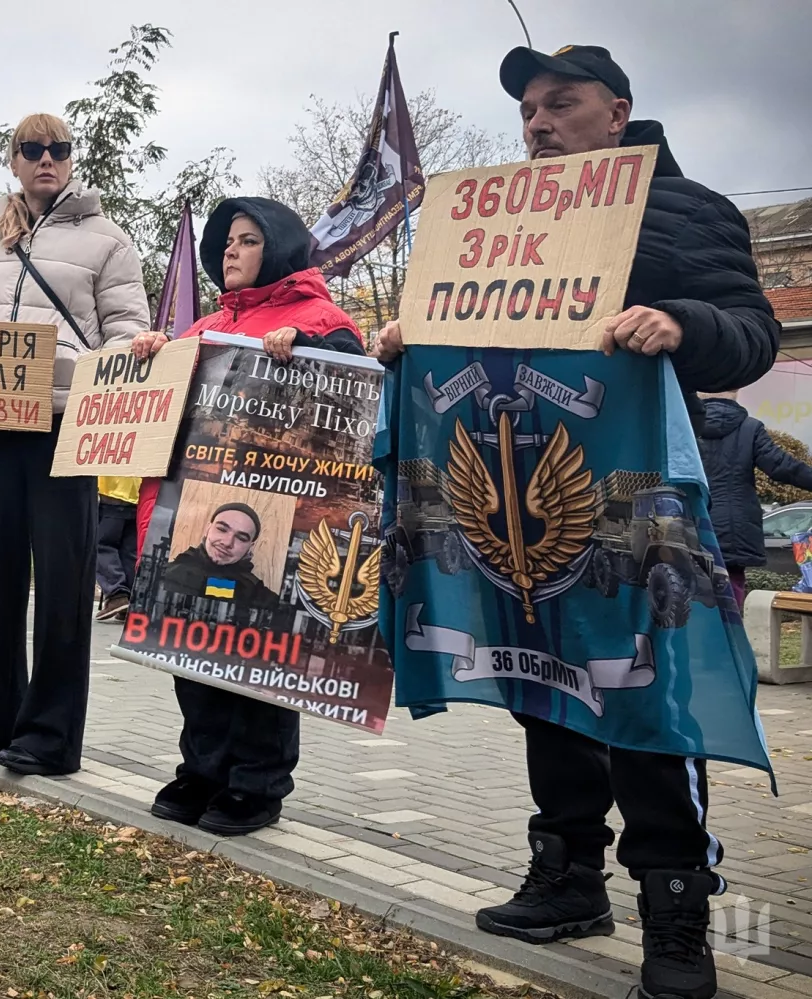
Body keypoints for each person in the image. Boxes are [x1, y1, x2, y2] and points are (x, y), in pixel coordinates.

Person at [374, 46, 780, 999]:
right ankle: (567, 876)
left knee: (646, 705)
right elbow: (464, 337)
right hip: (504, 501)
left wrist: (679, 321)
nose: (538, 123)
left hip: (631, 509)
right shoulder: (494, 219)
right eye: (527, 111)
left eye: (562, 103)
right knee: (542, 688)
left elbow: (751, 334)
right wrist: (409, 339)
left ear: (619, 110)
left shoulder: (687, 210)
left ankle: (676, 913)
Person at [131, 195, 365, 836]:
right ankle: (201, 769)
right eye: (226, 241)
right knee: (195, 649)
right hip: (197, 517)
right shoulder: (200, 329)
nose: (230, 250)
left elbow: (351, 419)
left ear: (281, 245)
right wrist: (155, 356)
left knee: (262, 655)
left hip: (281, 521)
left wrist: (317, 354)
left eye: (247, 239)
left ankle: (256, 783)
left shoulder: (325, 321)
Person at [0, 113, 150, 777]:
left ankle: (51, 735)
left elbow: (126, 329)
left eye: (58, 149)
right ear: (14, 159)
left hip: (64, 422)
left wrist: (119, 356)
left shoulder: (108, 239)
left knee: (63, 578)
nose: (46, 159)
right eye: (33, 149)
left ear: (70, 157)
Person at [697, 391, 812, 609]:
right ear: (736, 392)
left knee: (689, 592)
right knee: (731, 590)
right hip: (736, 530)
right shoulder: (750, 428)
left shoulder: (684, 426)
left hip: (692, 522)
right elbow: (781, 466)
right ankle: (732, 636)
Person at [159, 501, 281, 612]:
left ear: (250, 546)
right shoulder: (168, 573)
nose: (227, 543)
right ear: (208, 529)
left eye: (241, 538)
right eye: (222, 529)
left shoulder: (258, 595)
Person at [94, 476, 141, 621]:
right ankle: (131, 600)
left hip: (111, 490)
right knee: (128, 551)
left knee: (99, 545)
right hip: (136, 492)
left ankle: (117, 594)